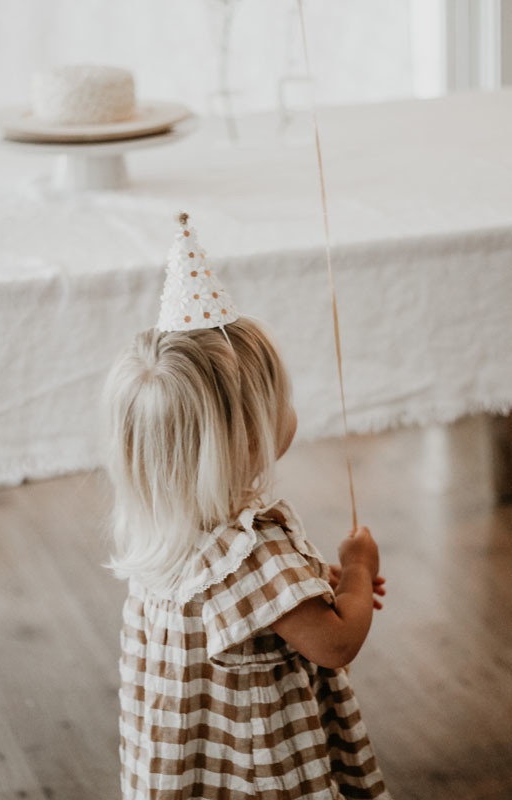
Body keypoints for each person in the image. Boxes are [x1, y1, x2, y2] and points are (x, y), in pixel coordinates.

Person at [100, 212, 392, 799]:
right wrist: (358, 570)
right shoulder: (251, 550)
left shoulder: (161, 532)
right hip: (256, 767)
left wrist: (307, 587)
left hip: (190, 757)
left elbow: (249, 615)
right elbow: (335, 644)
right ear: (251, 438)